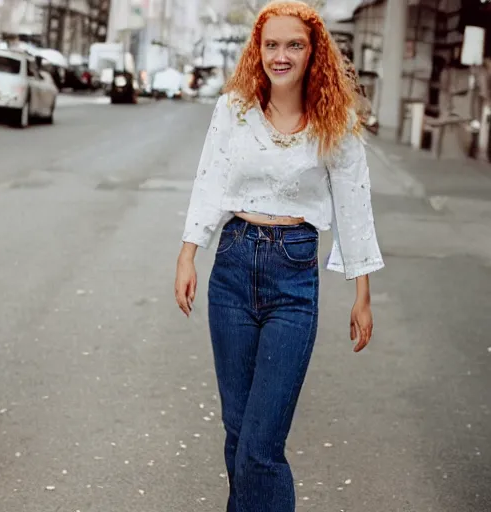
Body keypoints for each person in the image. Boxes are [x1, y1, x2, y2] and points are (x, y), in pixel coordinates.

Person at [174, 1, 384, 511]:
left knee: (261, 446)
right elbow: (210, 181)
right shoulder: (233, 110)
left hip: (293, 276)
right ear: (258, 49)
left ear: (314, 52)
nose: (281, 55)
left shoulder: (335, 121)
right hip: (233, 265)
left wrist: (361, 292)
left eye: (294, 45)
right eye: (272, 44)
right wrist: (188, 254)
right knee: (237, 433)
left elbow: (354, 202)